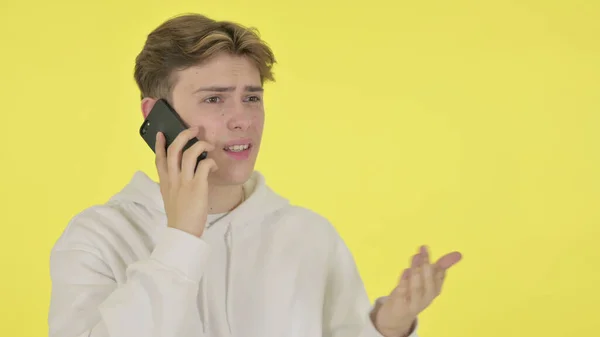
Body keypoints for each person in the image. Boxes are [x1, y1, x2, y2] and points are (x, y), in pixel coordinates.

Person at [48, 13, 462, 337]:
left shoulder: (309, 235)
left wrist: (388, 327)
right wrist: (180, 241)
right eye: (214, 99)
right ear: (156, 116)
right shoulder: (98, 238)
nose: (242, 120)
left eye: (251, 98)